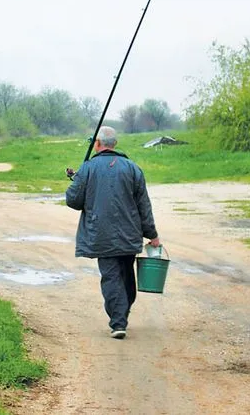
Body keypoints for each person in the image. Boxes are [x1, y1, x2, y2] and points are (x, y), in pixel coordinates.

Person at [66, 125, 160, 340]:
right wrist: (152, 234)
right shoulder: (133, 168)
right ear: (114, 144)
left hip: (100, 235)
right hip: (130, 235)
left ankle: (118, 321)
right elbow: (144, 206)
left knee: (111, 277)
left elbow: (73, 200)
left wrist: (78, 180)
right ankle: (122, 314)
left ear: (97, 144)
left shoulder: (88, 168)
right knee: (125, 276)